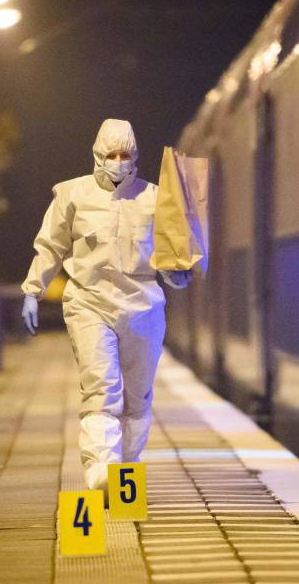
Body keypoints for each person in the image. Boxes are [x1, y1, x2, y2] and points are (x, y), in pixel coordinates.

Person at [20, 118, 191, 494]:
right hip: (89, 302)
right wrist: (33, 290)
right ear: (97, 155)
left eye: (125, 154)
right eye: (111, 154)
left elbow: (171, 253)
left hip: (143, 307)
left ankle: (125, 472)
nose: (118, 160)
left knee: (137, 394)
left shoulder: (156, 198)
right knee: (101, 386)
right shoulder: (72, 196)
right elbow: (50, 246)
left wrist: (179, 274)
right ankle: (101, 466)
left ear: (136, 156)